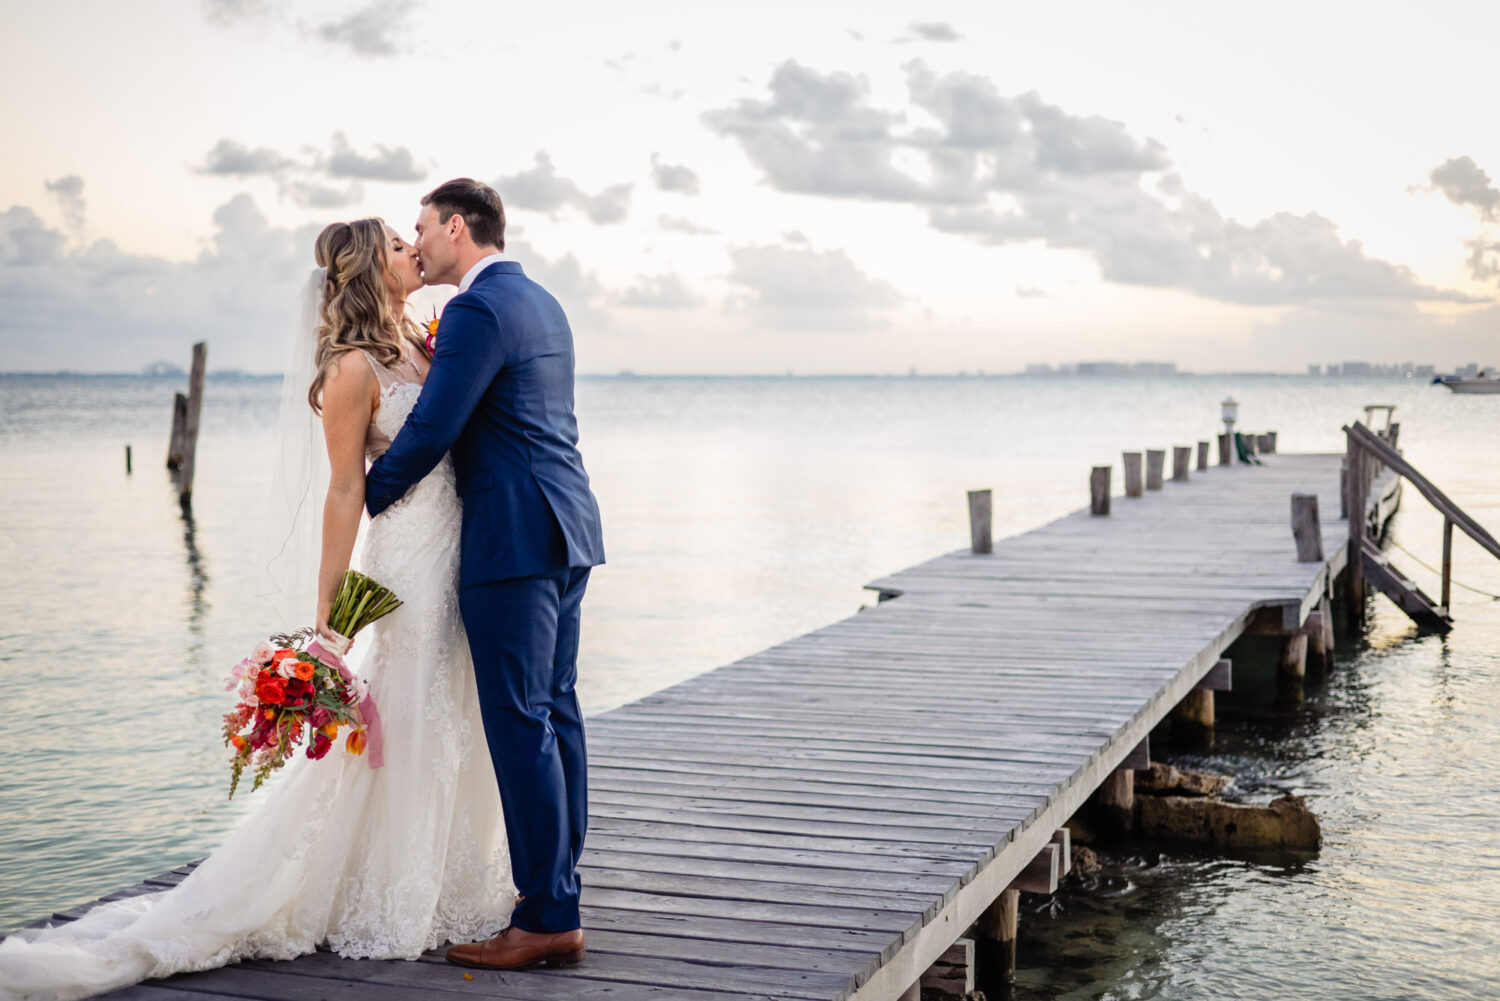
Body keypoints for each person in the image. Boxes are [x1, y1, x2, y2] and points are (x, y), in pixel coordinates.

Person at [0, 218, 516, 1001]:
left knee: (457, 707)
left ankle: (452, 879)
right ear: (372, 270)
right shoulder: (349, 369)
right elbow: (346, 490)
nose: (415, 249)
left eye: (415, 239)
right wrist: (330, 623)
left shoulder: (426, 339)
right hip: (409, 558)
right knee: (414, 712)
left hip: (462, 549)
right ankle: (393, 892)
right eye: (398, 245)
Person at [363, 177, 604, 971]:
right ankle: (557, 894)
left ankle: (544, 914)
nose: (418, 241)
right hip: (567, 528)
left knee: (518, 719)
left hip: (510, 540)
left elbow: (435, 424)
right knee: (554, 711)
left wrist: (370, 493)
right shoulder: (540, 300)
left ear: (457, 227)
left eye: (422, 227)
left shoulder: (476, 308)